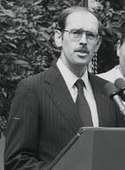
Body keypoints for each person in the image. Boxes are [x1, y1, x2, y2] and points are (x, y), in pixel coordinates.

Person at [4, 6, 125, 170]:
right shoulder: (32, 89)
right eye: (76, 33)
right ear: (58, 37)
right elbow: (16, 161)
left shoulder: (108, 90)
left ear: (97, 44)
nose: (83, 41)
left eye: (90, 35)